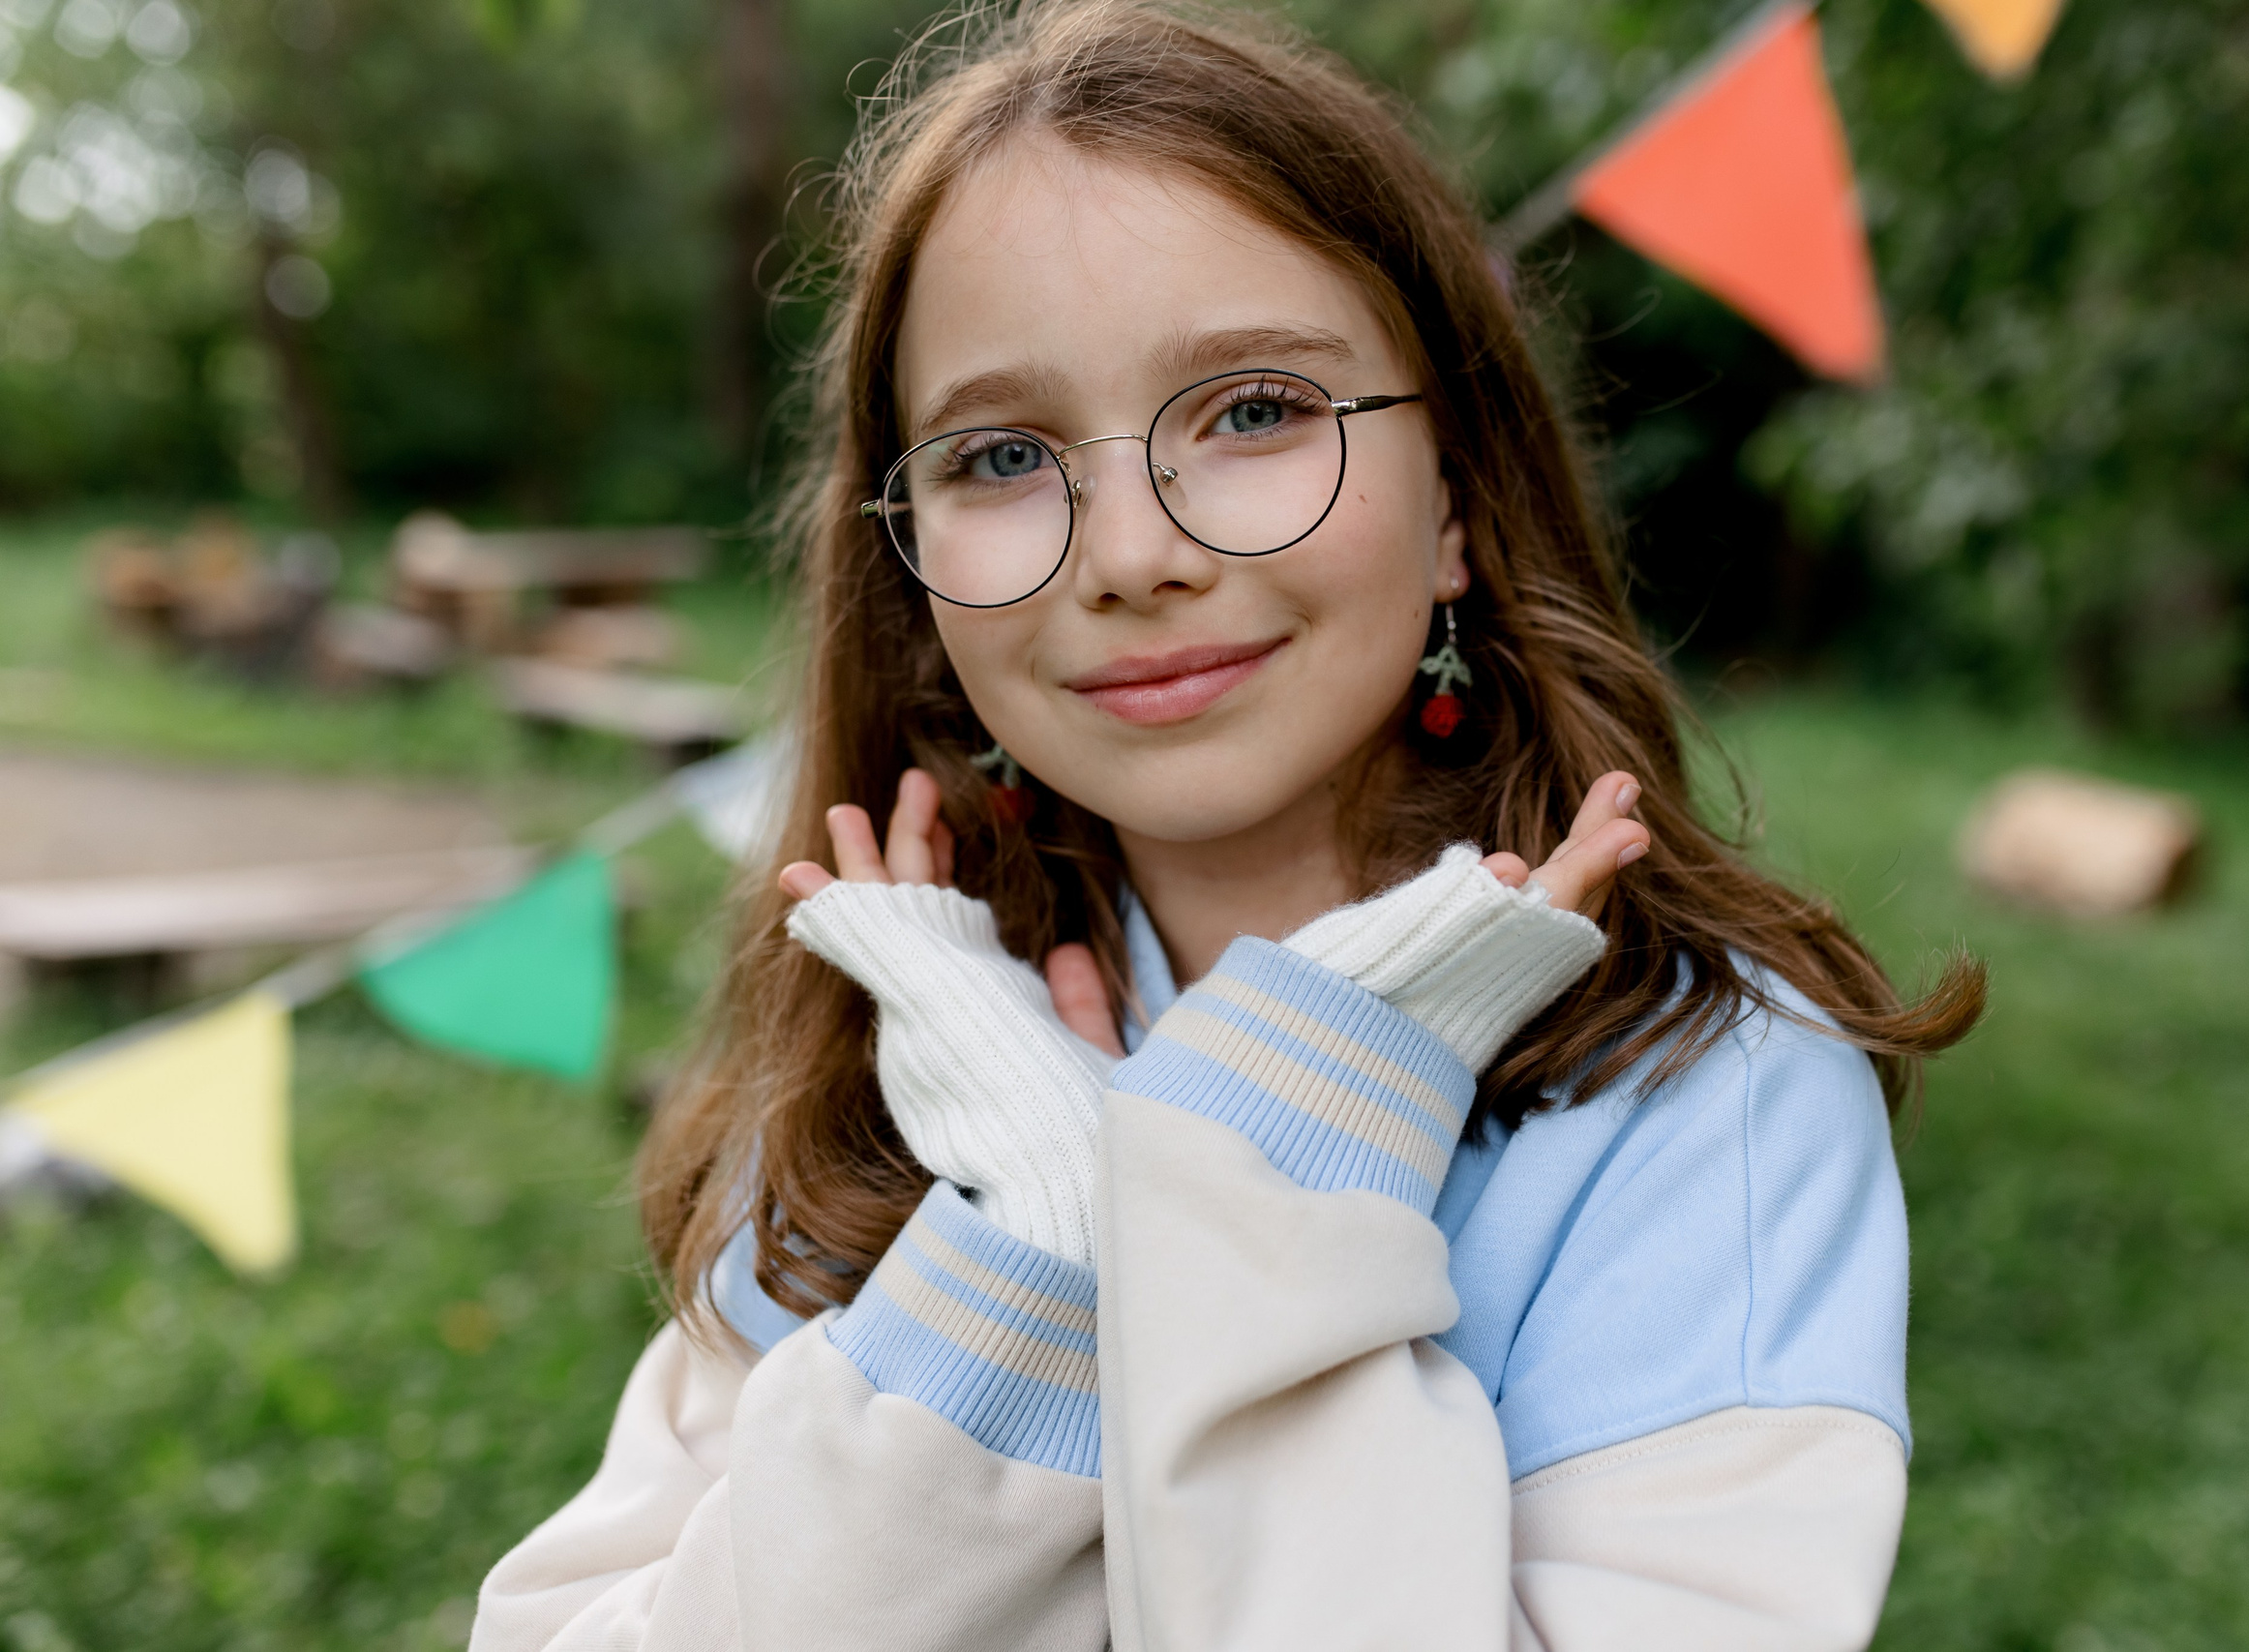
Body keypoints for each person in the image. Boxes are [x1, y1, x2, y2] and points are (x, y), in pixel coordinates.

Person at [469, 1, 1985, 1646]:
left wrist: (1255, 1177)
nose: (1129, 551)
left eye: (1256, 411)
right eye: (1001, 452)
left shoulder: (1712, 1102)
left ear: (1460, 500)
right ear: (916, 580)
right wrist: (1029, 1248)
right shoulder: (913, 1047)